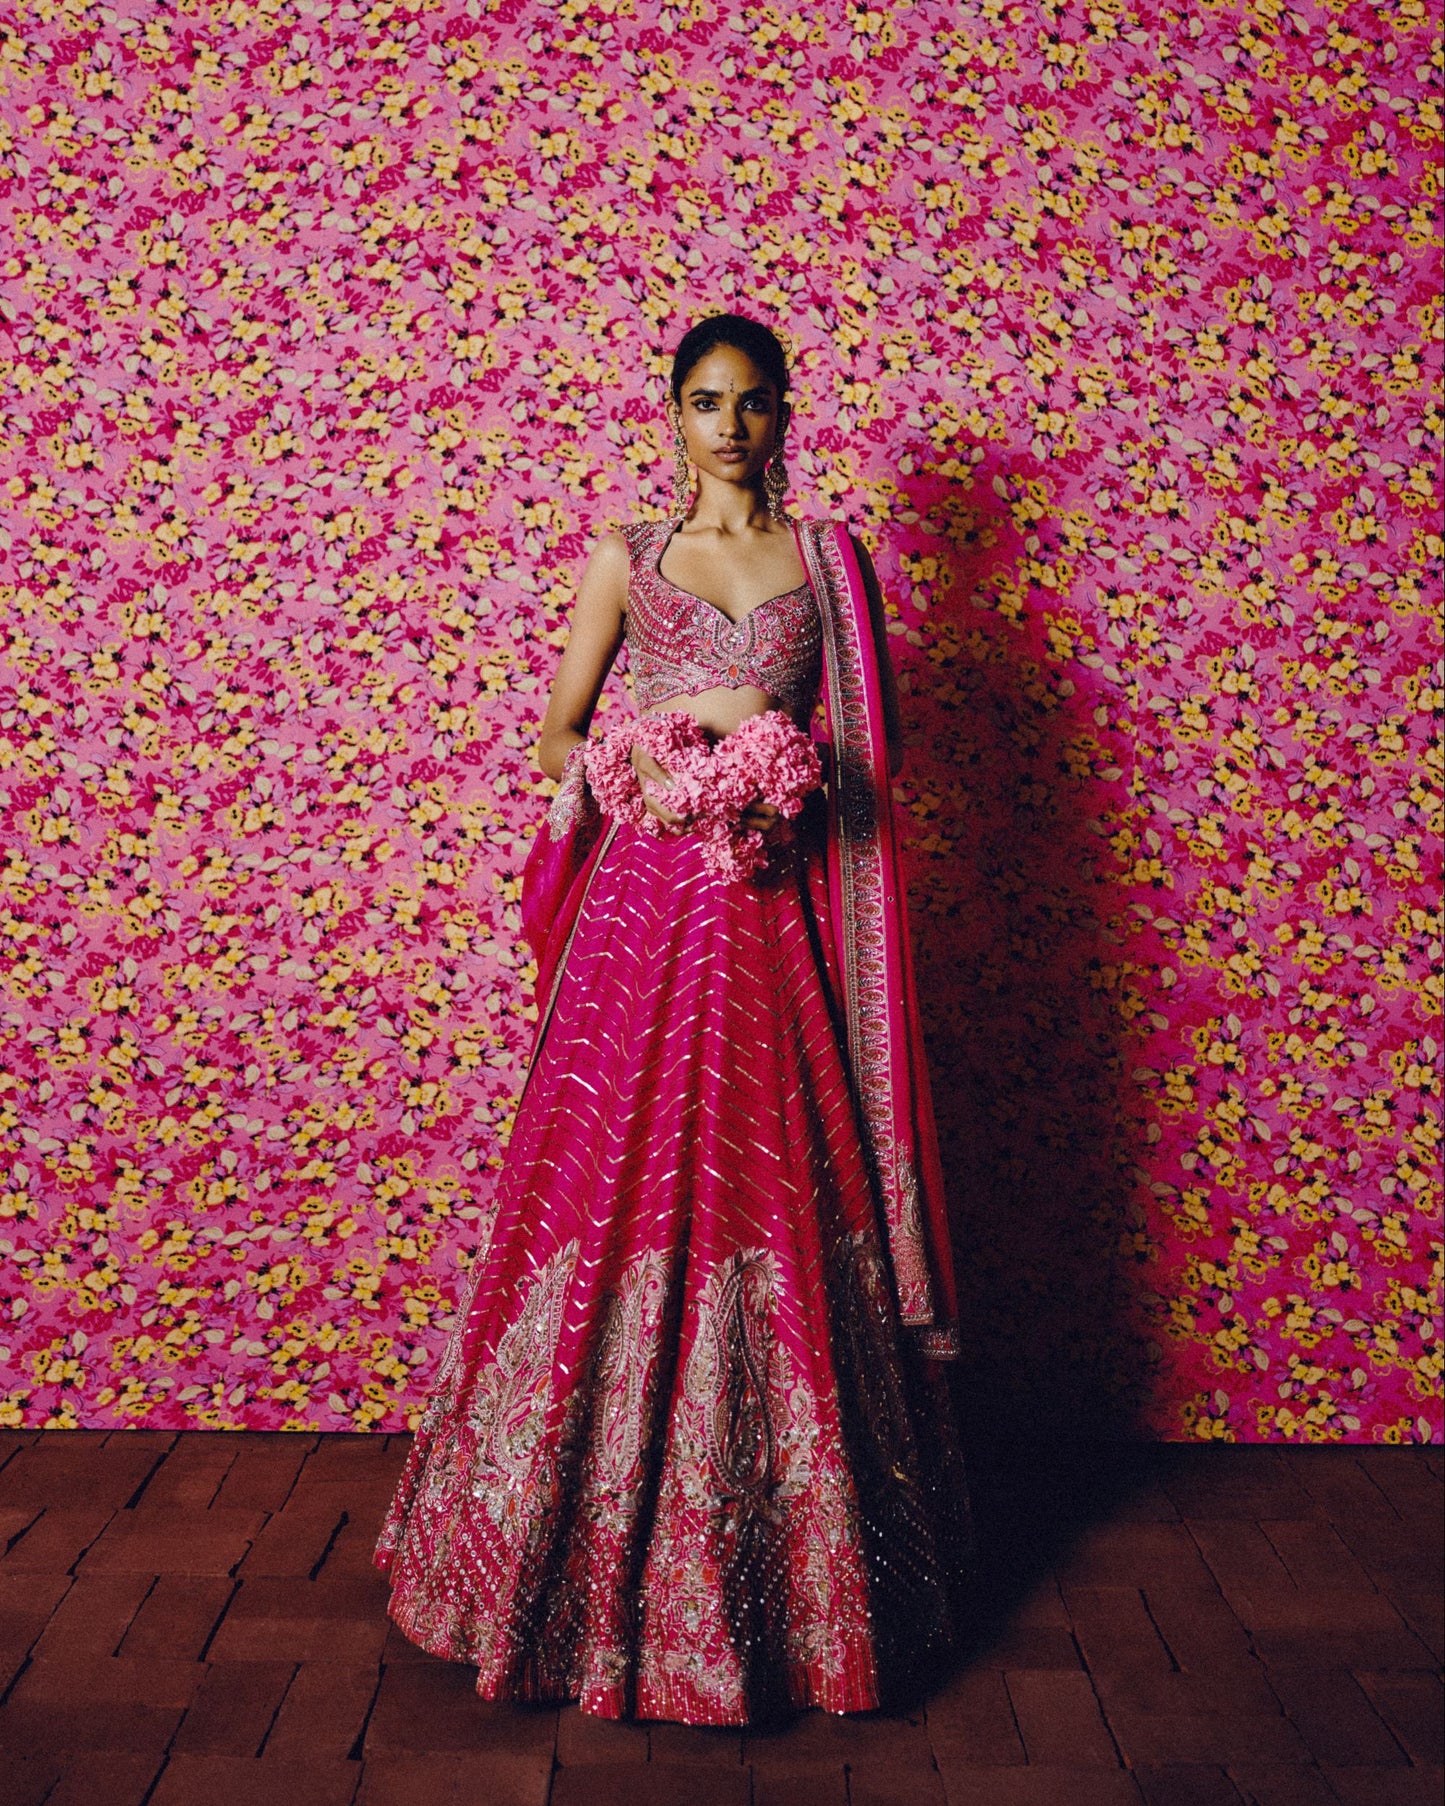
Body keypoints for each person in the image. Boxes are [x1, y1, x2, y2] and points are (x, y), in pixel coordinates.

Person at [374, 313, 971, 1726]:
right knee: (613, 1175)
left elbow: (873, 748)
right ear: (672, 412)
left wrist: (782, 760)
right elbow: (561, 731)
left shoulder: (829, 560)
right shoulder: (627, 555)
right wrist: (671, 736)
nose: (730, 426)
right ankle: (555, 1546)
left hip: (772, 918)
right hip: (642, 923)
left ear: (783, 413)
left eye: (753, 403)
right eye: (705, 402)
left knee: (771, 1180)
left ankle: (790, 1572)